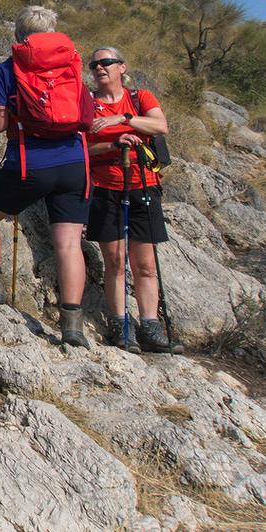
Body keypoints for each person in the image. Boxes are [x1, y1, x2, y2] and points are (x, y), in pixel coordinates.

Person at [0, 6, 93, 348]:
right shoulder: (73, 67)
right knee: (68, 243)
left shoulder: (10, 68)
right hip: (76, 165)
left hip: (31, 165)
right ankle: (72, 325)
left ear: (20, 36)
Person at [85, 46, 178, 353]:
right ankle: (120, 324)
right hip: (106, 188)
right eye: (95, 64)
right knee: (114, 261)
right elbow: (81, 146)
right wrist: (114, 142)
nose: (100, 67)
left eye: (106, 62)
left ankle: (150, 326)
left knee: (146, 264)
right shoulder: (87, 103)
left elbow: (160, 125)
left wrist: (120, 119)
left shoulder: (140, 98)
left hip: (145, 186)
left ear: (121, 67)